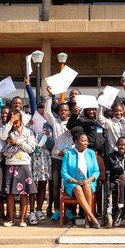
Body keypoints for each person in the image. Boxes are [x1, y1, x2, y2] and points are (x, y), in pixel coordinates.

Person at [0, 110, 37, 227]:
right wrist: (9, 123)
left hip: (24, 163)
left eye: (17, 122)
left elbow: (31, 148)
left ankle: (22, 219)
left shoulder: (28, 132)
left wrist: (18, 142)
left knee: (24, 192)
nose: (15, 125)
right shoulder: (8, 130)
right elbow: (2, 136)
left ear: (21, 121)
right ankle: (11, 219)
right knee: (10, 193)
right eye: (13, 121)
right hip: (10, 163)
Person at [61, 129, 101, 228]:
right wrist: (75, 181)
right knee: (77, 188)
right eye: (83, 141)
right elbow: (64, 172)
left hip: (88, 181)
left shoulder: (91, 153)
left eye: (87, 141)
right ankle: (92, 218)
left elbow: (96, 171)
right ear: (76, 142)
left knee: (87, 187)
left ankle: (87, 218)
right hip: (72, 183)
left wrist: (89, 179)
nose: (86, 143)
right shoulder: (68, 153)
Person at [45, 92, 73, 220]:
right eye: (61, 110)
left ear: (69, 112)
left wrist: (68, 149)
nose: (63, 112)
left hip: (70, 159)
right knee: (56, 185)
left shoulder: (73, 124)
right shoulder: (55, 123)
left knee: (69, 184)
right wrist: (49, 98)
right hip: (56, 158)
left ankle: (69, 210)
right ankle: (57, 209)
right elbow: (47, 113)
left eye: (66, 110)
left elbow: (77, 141)